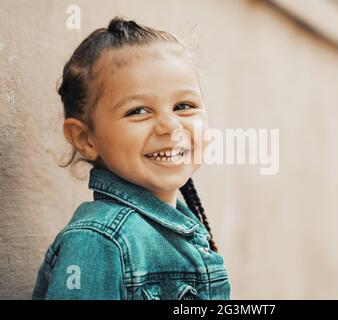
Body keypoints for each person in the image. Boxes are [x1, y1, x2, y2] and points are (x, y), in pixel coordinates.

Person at [32, 16, 231, 300]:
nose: (170, 126)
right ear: (85, 138)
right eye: (138, 111)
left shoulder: (185, 224)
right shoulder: (98, 241)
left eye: (183, 106)